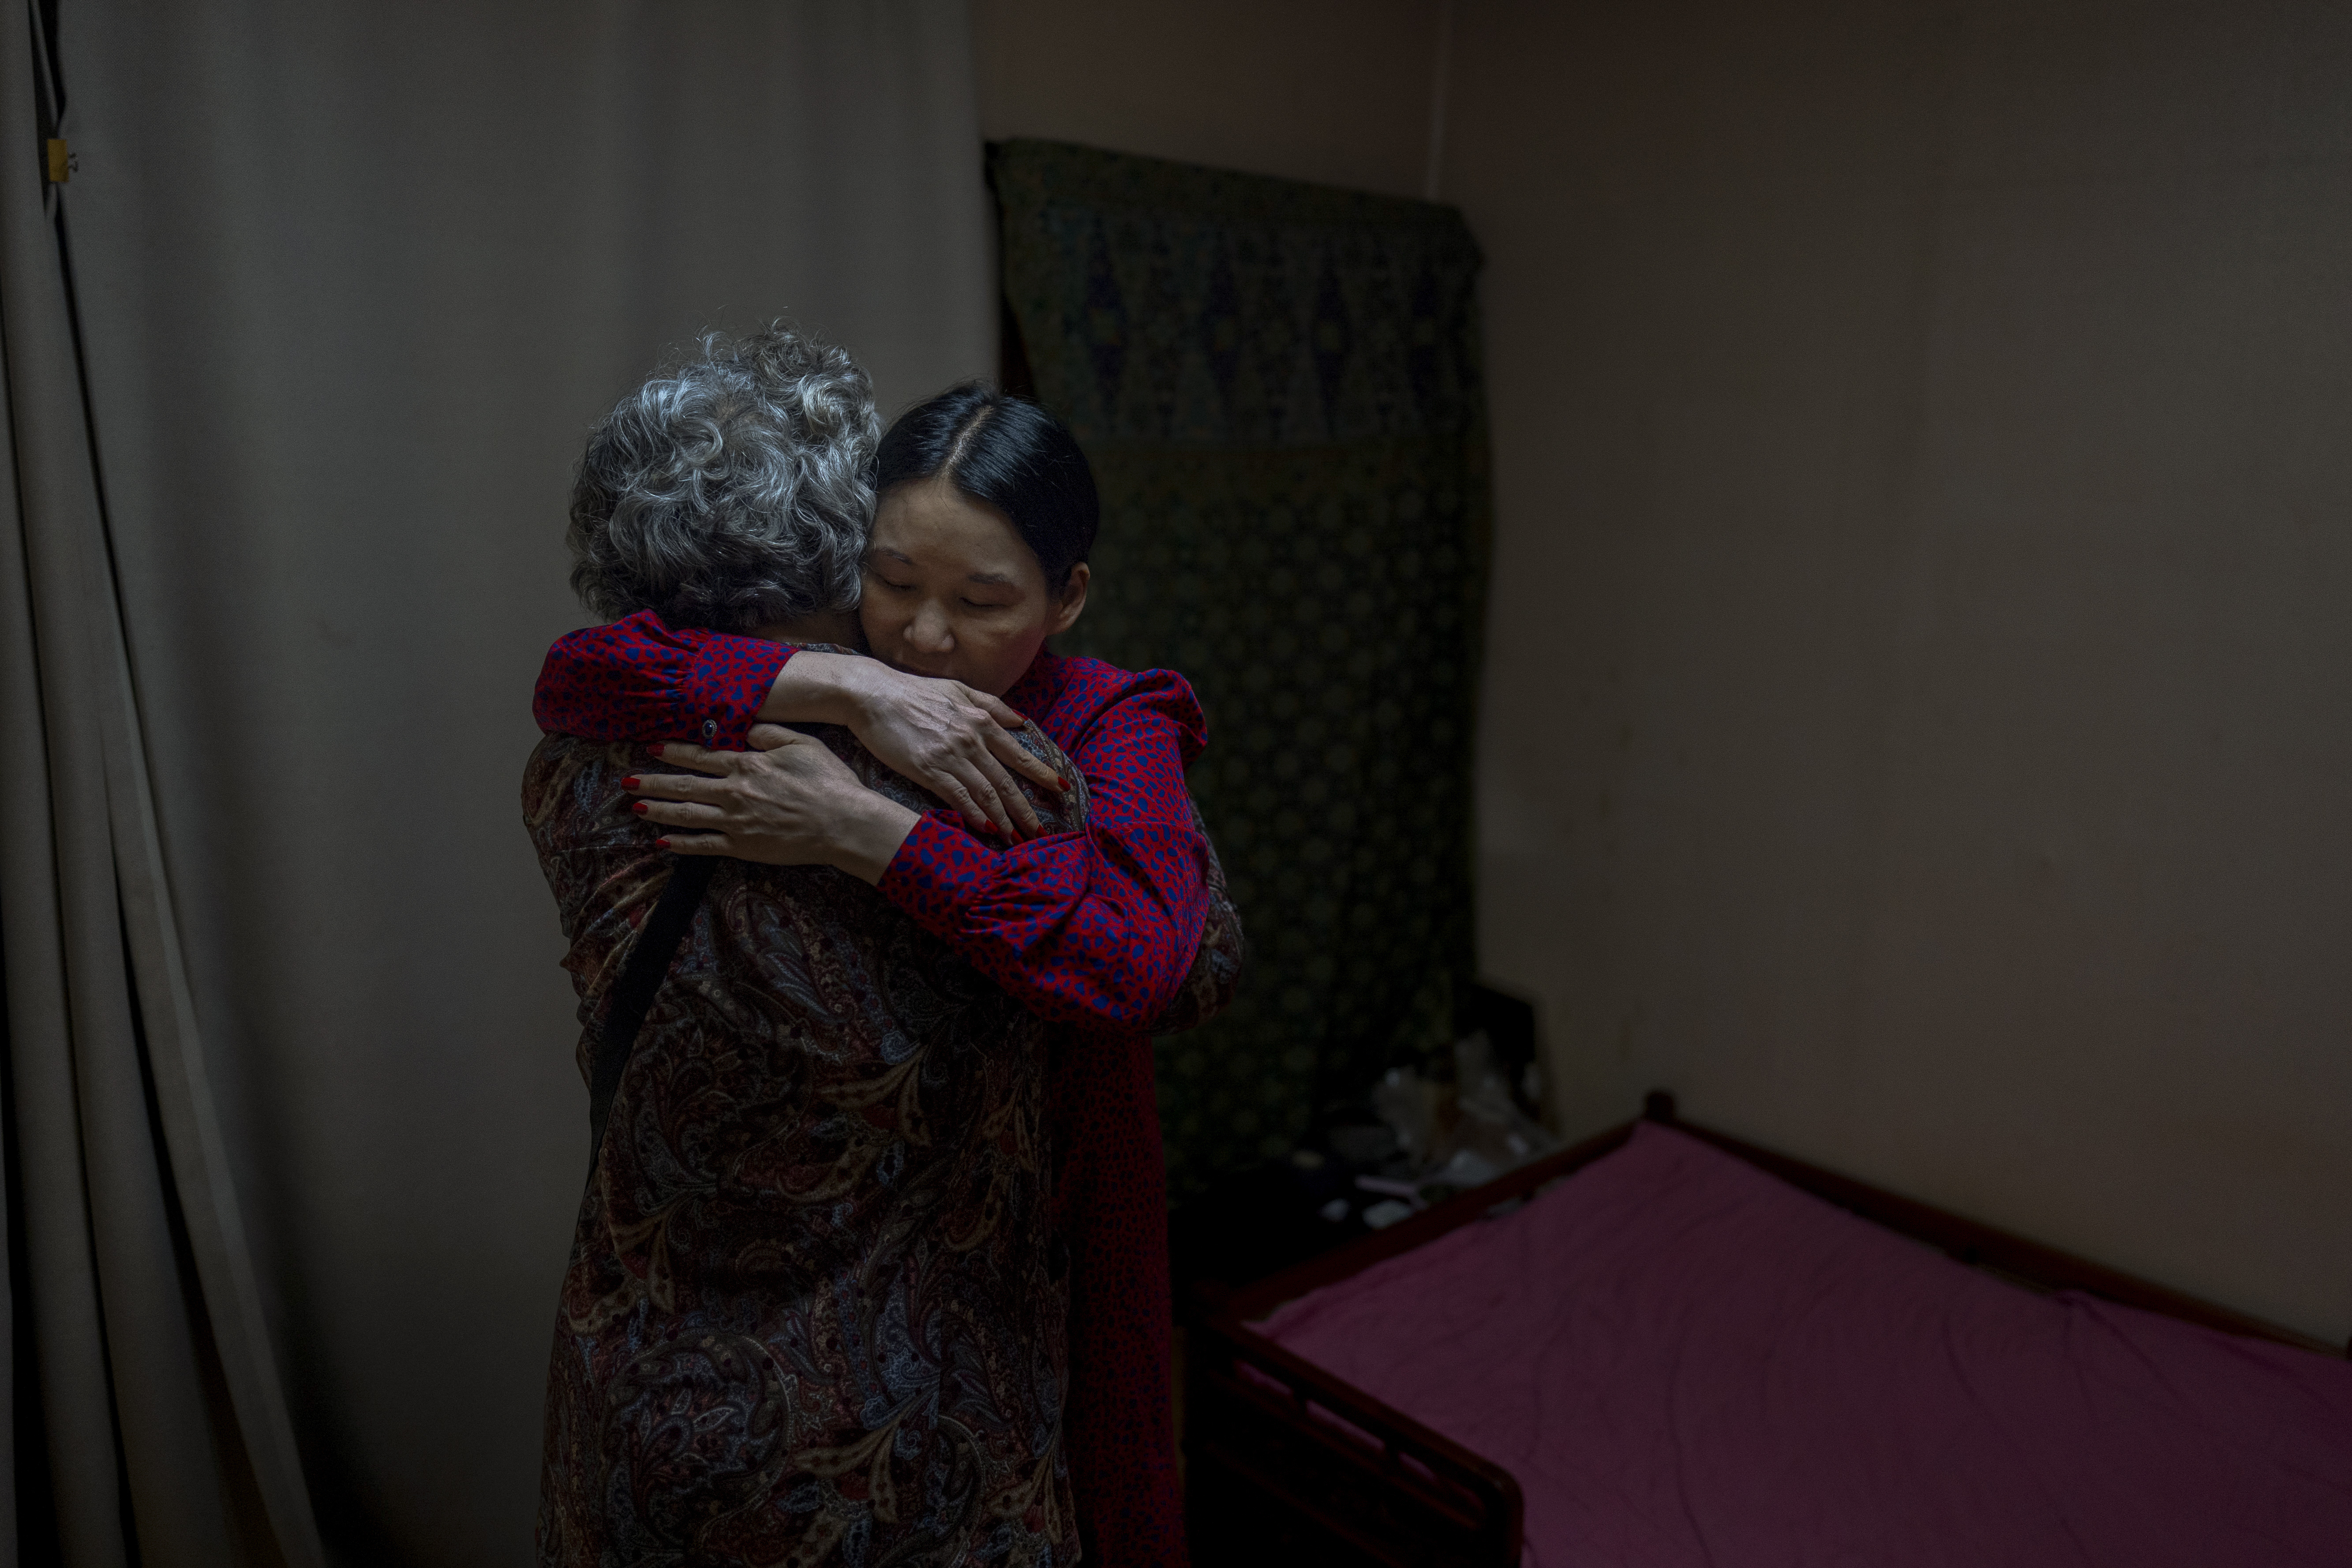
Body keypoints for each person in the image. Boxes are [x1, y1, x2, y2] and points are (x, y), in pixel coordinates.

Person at [525, 329, 1233, 1567]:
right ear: (838, 561)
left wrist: (862, 819)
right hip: (905, 1446)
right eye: (892, 582)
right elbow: (1191, 955)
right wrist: (858, 722)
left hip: (635, 1381)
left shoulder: (572, 771)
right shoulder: (1000, 781)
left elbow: (581, 671)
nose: (918, 642)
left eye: (976, 599)